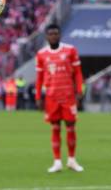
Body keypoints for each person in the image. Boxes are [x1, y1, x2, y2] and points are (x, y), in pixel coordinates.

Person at [35, 23, 84, 173]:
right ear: (46, 36)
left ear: (60, 35)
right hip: (52, 97)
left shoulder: (70, 50)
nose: (53, 36)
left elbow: (77, 72)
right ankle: (57, 162)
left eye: (56, 33)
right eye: (51, 34)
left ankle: (71, 160)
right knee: (55, 128)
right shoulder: (41, 54)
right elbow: (39, 77)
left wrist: (79, 89)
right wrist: (38, 96)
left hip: (68, 96)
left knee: (70, 127)